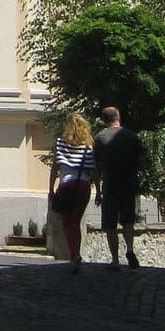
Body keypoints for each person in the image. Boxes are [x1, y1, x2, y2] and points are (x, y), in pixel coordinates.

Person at [49, 113, 99, 273]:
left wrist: (50, 189)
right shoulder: (88, 147)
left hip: (67, 184)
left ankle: (74, 255)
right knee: (76, 222)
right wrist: (98, 191)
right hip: (83, 186)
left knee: (66, 222)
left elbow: (55, 168)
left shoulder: (60, 143)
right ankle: (76, 254)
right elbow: (94, 171)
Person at [94, 105, 142, 269]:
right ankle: (130, 249)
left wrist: (98, 191)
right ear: (118, 118)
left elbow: (95, 167)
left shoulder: (100, 138)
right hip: (128, 185)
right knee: (128, 222)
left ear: (104, 120)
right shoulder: (131, 137)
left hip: (110, 187)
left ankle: (115, 260)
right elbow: (140, 160)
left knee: (110, 225)